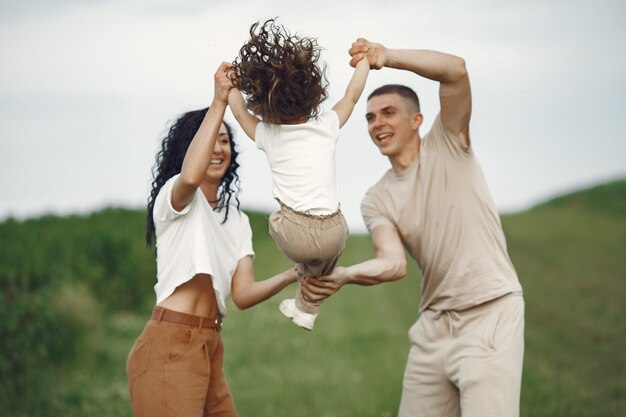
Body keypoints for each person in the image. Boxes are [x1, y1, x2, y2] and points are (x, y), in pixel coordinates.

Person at [303, 39, 525, 417]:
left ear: (417, 121)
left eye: (388, 113)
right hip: (433, 327)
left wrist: (386, 57)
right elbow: (392, 263)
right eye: (370, 118)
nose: (377, 124)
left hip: (490, 314)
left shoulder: (448, 145)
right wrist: (344, 274)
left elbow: (456, 70)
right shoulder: (377, 198)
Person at [126, 62, 298, 417]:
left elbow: (242, 294)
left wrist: (295, 273)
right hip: (170, 344)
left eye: (225, 140)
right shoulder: (174, 199)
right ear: (189, 149)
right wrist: (219, 101)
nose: (218, 149)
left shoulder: (236, 219)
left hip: (210, 344)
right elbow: (190, 176)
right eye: (210, 140)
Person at [225, 19, 370, 330]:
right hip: (334, 229)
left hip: (294, 231)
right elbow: (352, 96)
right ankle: (307, 309)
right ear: (313, 95)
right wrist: (364, 63)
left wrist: (230, 86)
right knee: (320, 268)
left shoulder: (268, 134)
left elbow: (239, 113)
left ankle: (303, 308)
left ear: (265, 103)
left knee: (282, 220)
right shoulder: (326, 126)